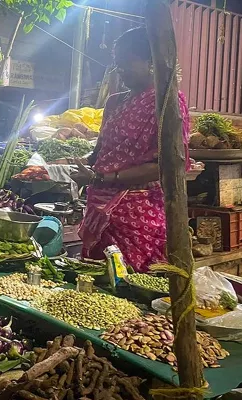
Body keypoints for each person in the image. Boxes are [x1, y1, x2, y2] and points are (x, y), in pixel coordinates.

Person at [72, 27, 190, 273]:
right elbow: (101, 151)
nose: (120, 70)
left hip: (138, 213)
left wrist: (100, 177)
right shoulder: (115, 101)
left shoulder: (167, 103)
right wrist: (75, 164)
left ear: (150, 62)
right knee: (94, 276)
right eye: (117, 63)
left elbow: (166, 164)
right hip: (99, 206)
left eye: (126, 62)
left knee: (132, 282)